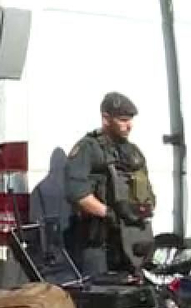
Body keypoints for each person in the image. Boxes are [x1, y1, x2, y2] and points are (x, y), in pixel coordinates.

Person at [64, 92, 155, 277]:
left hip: (130, 241)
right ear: (106, 118)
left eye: (130, 120)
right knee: (98, 294)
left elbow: (147, 189)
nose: (129, 125)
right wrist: (108, 213)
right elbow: (77, 193)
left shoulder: (133, 152)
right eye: (122, 120)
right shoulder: (88, 148)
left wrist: (142, 210)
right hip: (98, 242)